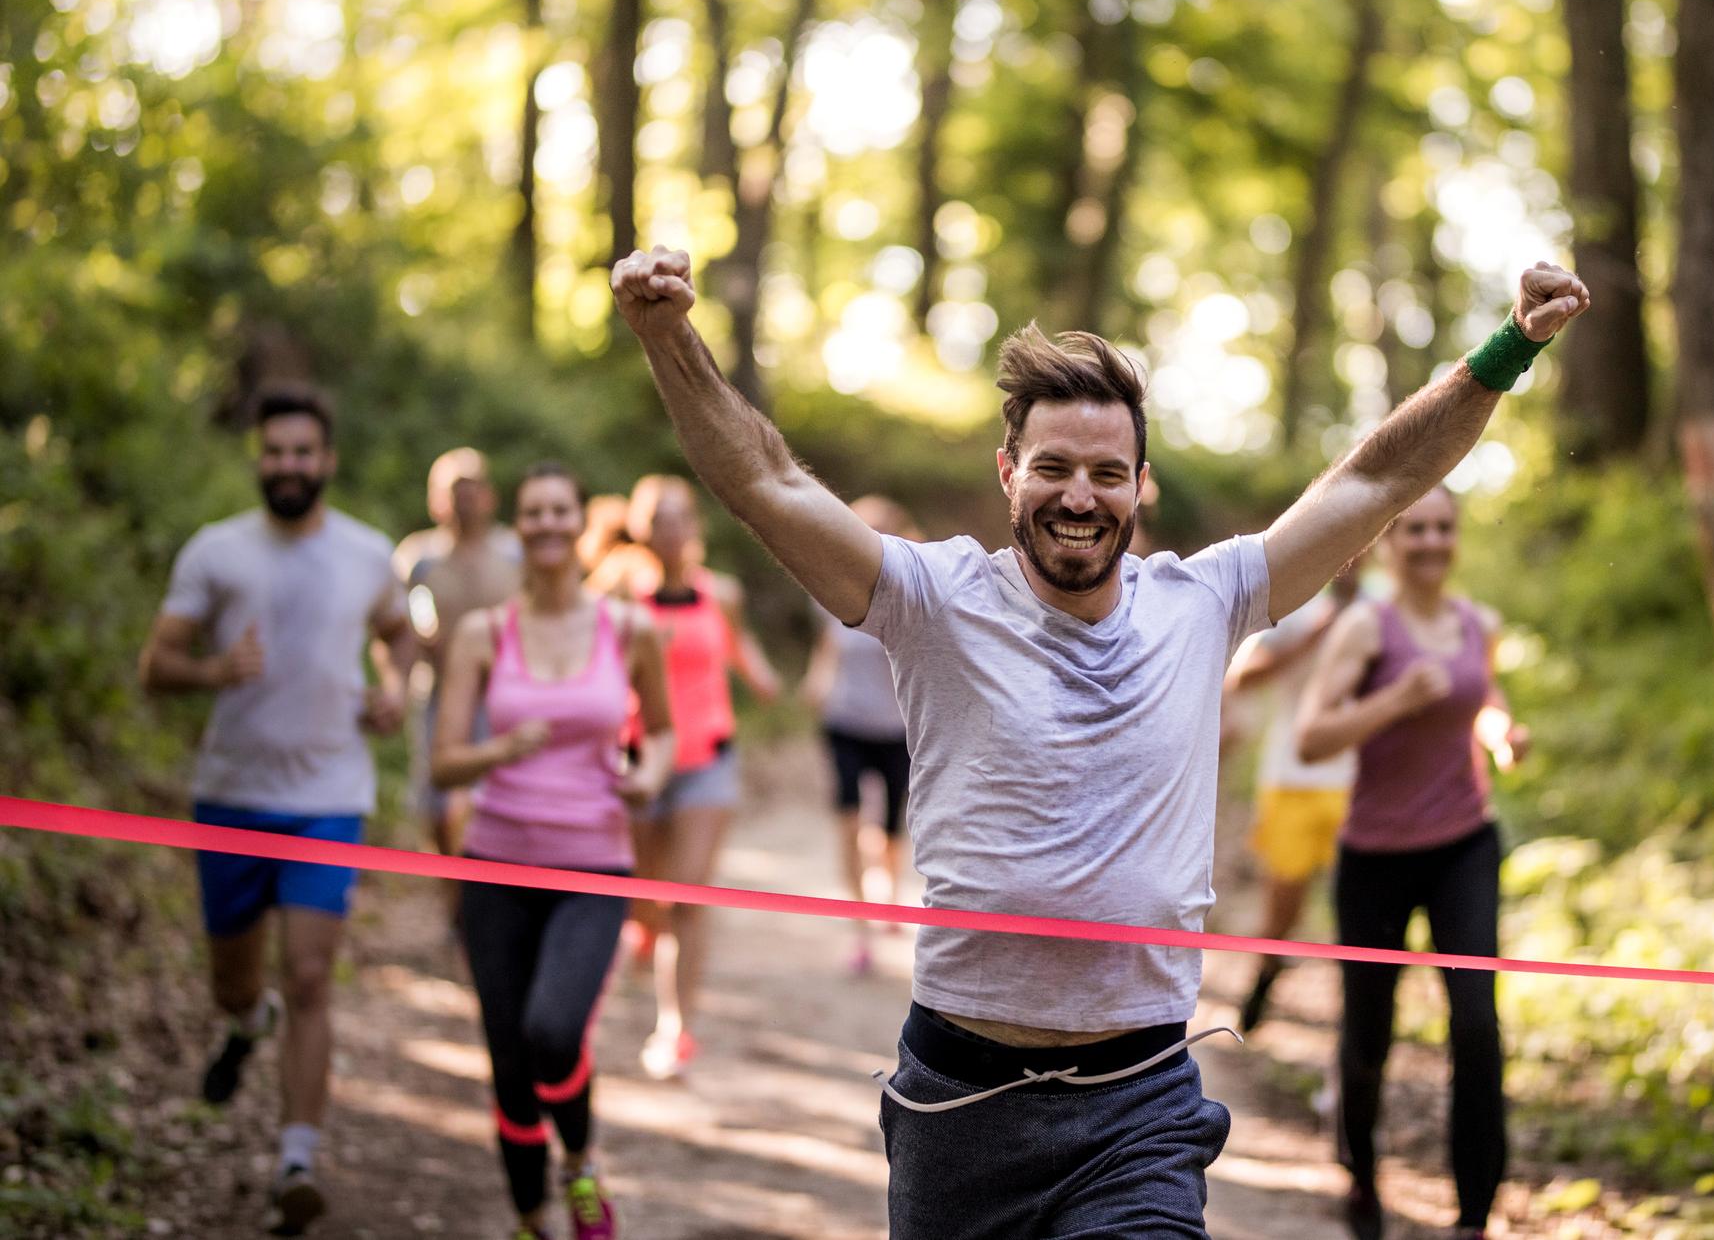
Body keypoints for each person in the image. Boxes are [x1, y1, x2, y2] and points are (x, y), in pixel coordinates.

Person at [610, 242, 1586, 1238]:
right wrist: (668, 336)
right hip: (962, 1105)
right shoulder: (932, 600)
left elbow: (1373, 481)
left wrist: (1509, 348)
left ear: (1140, 485)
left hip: (1141, 1103)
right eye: (1056, 468)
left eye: (1108, 473)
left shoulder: (1205, 601)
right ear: (1009, 472)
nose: (1081, 495)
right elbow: (768, 481)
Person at [139, 383, 416, 1236]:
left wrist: (397, 687)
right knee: (237, 981)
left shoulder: (369, 554)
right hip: (230, 794)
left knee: (307, 975)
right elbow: (156, 666)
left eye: (304, 452)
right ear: (258, 459)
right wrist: (213, 672)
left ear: (327, 461)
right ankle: (244, 1022)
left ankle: (296, 1156)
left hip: (329, 797)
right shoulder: (216, 553)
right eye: (276, 452)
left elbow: (400, 632)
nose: (289, 466)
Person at [431, 462, 676, 1240]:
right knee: (507, 1056)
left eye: (557, 511)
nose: (543, 524)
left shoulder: (629, 627)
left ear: (579, 523)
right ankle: (532, 1218)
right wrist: (498, 750)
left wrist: (649, 775)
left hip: (593, 866)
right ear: (518, 522)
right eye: (530, 512)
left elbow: (663, 734)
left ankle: (580, 1159)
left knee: (551, 1030)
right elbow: (441, 762)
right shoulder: (484, 633)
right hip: (494, 864)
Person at [1293, 487, 1532, 1239]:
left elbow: (1480, 696)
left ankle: (1473, 1212)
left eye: (1443, 528)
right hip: (1375, 858)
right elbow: (1312, 739)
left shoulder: (1475, 623)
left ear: (1456, 537)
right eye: (1415, 529)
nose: (1430, 541)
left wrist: (1499, 734)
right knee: (1369, 1032)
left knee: (1474, 1026)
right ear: (1391, 542)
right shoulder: (1366, 628)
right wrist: (1393, 702)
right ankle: (1361, 1172)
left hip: (1464, 844)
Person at [598, 474, 781, 1080]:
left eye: (680, 517)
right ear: (641, 530)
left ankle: (674, 1030)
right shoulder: (620, 594)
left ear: (693, 528)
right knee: (646, 899)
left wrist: (762, 678)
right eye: (658, 519)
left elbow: (738, 648)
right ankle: (644, 932)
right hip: (642, 762)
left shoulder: (719, 594)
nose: (670, 529)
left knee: (688, 898)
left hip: (708, 761)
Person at [1223, 560, 1363, 1035]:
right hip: (1293, 781)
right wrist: (1318, 630)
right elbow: (1242, 677)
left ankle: (1355, 1027)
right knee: (1284, 910)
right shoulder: (1296, 600)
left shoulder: (1385, 600)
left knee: (1363, 918)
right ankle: (1264, 978)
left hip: (1365, 783)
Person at [798, 494, 920, 976]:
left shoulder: (913, 593)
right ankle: (859, 924)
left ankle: (887, 894)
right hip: (845, 721)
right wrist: (817, 675)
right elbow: (830, 641)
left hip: (895, 728)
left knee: (888, 828)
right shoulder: (829, 586)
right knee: (849, 821)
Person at [396, 447, 521, 855]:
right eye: (454, 490)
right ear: (436, 498)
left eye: (472, 488)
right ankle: (451, 886)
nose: (464, 499)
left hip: (502, 692)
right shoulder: (418, 557)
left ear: (489, 495)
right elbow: (405, 614)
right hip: (437, 690)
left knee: (499, 791)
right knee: (437, 796)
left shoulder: (514, 552)